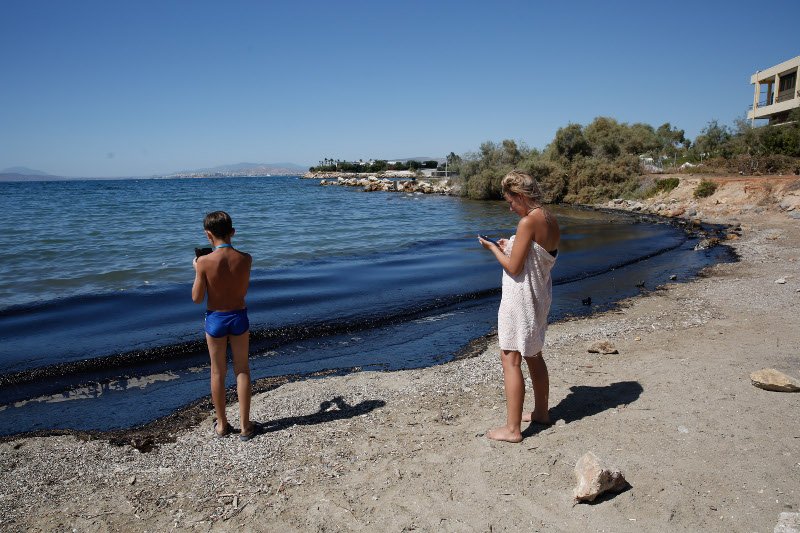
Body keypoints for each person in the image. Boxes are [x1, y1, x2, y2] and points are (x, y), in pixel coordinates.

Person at [478, 170, 560, 443]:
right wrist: (510, 245)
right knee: (534, 353)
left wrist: (494, 249)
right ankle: (541, 412)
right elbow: (537, 254)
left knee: (510, 357)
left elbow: (514, 268)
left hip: (521, 298)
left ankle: (513, 430)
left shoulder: (527, 222)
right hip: (539, 296)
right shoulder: (549, 218)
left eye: (511, 201)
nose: (510, 207)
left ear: (521, 196)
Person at [192, 211, 261, 441]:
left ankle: (222, 425)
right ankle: (245, 426)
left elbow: (197, 297)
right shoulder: (246, 258)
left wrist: (197, 270)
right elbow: (240, 289)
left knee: (217, 371)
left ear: (208, 235)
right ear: (233, 232)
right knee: (242, 369)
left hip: (215, 319)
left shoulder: (203, 262)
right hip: (239, 316)